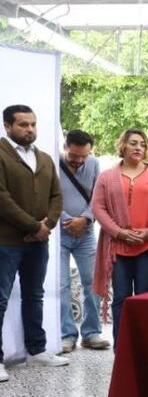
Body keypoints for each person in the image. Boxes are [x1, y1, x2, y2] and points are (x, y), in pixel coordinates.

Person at [0, 104, 68, 380]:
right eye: (23, 125)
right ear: (8, 127)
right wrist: (33, 226)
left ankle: (37, 350)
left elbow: (56, 196)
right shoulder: (2, 155)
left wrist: (46, 226)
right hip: (7, 241)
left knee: (34, 295)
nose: (29, 129)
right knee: (1, 298)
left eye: (33, 124)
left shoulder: (45, 158)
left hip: (38, 242)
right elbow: (2, 199)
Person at [91, 129, 148, 346]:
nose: (138, 148)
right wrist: (119, 232)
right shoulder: (107, 177)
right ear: (123, 146)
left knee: (145, 297)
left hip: (146, 246)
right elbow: (98, 207)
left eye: (143, 145)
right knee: (122, 299)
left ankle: (146, 346)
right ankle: (121, 347)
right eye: (133, 143)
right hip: (117, 248)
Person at [57, 129, 107, 353]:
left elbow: (98, 197)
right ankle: (66, 334)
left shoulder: (94, 164)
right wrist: (68, 221)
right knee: (62, 283)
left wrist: (86, 219)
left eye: (83, 156)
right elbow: (49, 198)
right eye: (74, 155)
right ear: (66, 147)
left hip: (86, 233)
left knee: (92, 282)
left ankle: (91, 332)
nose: (78, 161)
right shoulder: (53, 162)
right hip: (59, 233)